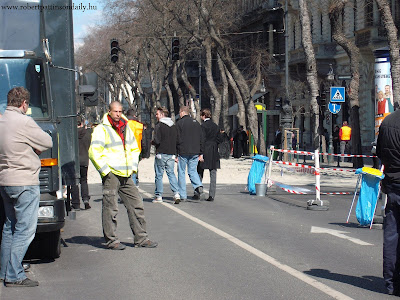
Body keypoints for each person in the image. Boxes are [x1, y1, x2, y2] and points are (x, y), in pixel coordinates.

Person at [0, 87, 53, 287]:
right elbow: (47, 141)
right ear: (24, 104)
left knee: (9, 227)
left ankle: (5, 270)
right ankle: (14, 275)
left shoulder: (2, 121)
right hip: (24, 181)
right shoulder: (24, 121)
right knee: (25, 230)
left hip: (5, 181)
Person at [89, 101, 157, 250]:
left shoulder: (126, 128)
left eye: (120, 111)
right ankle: (111, 240)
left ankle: (141, 238)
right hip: (111, 174)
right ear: (109, 111)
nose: (118, 114)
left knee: (136, 205)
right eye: (115, 112)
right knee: (110, 208)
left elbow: (134, 149)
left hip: (126, 174)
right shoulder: (102, 129)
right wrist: (105, 171)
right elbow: (94, 152)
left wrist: (133, 167)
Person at [376, 106, 400, 296]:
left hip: (392, 184)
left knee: (392, 235)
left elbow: (380, 154)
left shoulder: (388, 122)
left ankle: (391, 282)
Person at [176, 105, 205, 201]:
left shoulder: (179, 123)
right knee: (192, 171)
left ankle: (182, 195)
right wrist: (201, 152)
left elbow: (177, 139)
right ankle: (198, 185)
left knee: (181, 172)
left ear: (182, 112)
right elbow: (201, 138)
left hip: (183, 150)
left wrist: (176, 153)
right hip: (195, 151)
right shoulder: (196, 123)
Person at [152, 107, 180, 204]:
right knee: (171, 173)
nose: (156, 116)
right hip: (171, 153)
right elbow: (177, 141)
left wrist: (153, 143)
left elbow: (157, 140)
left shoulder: (159, 126)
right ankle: (176, 193)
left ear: (161, 114)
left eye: (157, 114)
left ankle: (158, 195)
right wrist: (176, 154)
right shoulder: (173, 126)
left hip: (161, 152)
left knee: (159, 175)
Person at [197, 109, 221, 202]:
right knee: (213, 172)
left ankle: (199, 191)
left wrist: (200, 153)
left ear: (203, 116)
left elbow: (202, 140)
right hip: (214, 150)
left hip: (206, 149)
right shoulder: (215, 126)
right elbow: (219, 139)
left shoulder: (203, 126)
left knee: (200, 171)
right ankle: (212, 194)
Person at [71, 116, 92, 210]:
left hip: (74, 161)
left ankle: (76, 203)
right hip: (84, 159)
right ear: (82, 123)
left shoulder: (71, 134)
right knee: (84, 180)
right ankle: (86, 199)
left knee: (74, 182)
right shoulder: (87, 134)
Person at [126, 109, 143, 186]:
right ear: (134, 115)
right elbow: (143, 139)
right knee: (134, 167)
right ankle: (134, 183)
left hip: (125, 149)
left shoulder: (123, 124)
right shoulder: (139, 125)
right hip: (137, 149)